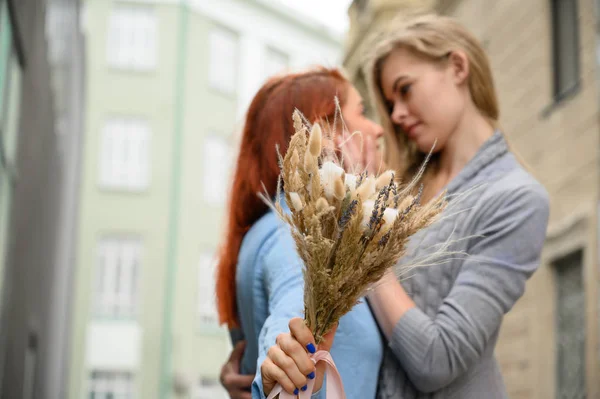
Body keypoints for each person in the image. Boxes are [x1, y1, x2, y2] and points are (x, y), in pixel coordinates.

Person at [257, 14, 550, 399]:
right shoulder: (399, 180)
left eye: (405, 89)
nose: (394, 114)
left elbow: (438, 360)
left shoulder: (516, 198)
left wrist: (365, 240)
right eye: (390, 102)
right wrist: (263, 367)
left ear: (457, 67)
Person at [214, 67, 386, 399]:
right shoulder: (299, 235)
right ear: (327, 132)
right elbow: (291, 315)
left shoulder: (271, 227)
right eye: (362, 113)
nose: (377, 129)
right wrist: (279, 376)